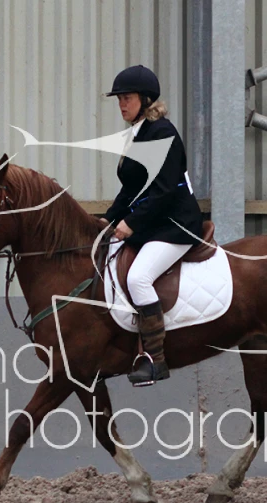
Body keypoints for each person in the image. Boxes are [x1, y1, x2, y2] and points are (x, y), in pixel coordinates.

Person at [103, 64, 203, 386]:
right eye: (119, 99)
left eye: (127, 98)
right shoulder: (139, 134)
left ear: (145, 99)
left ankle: (156, 360)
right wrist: (107, 219)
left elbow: (163, 190)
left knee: (138, 278)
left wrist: (131, 223)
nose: (122, 104)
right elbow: (131, 189)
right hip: (154, 224)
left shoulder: (162, 133)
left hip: (175, 225)